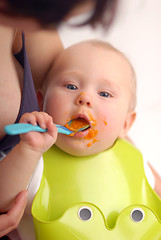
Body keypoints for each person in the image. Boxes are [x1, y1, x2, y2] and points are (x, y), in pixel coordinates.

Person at [0, 0, 118, 237]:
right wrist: (29, 150)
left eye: (104, 94)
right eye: (72, 87)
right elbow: (3, 200)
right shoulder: (35, 155)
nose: (84, 98)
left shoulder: (25, 20)